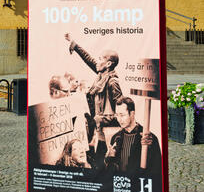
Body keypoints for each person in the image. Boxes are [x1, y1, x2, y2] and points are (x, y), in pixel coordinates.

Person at [64, 33, 123, 166]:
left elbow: (121, 110)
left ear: (108, 63)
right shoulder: (101, 75)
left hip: (105, 132)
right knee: (95, 162)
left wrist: (102, 119)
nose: (97, 61)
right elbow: (89, 59)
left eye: (100, 58)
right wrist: (74, 44)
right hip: (97, 130)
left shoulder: (112, 82)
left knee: (102, 163)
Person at [104, 96, 162, 177]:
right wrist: (110, 157)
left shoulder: (148, 138)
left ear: (132, 114)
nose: (119, 119)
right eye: (117, 115)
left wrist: (150, 148)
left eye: (122, 115)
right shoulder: (116, 138)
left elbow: (157, 169)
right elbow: (110, 172)